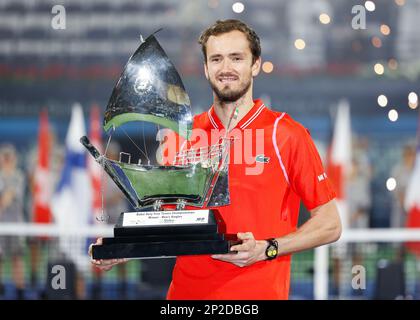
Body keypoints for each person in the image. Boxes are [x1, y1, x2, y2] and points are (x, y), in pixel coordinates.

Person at [89, 19, 341, 300]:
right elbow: (167, 219)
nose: (226, 68)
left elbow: (330, 223)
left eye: (237, 58)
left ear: (255, 64)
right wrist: (124, 246)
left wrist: (268, 248)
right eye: (217, 59)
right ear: (206, 68)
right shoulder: (180, 136)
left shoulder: (286, 134)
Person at [0, 144, 26, 299]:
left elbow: (9, 196)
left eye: (10, 157)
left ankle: (20, 291)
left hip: (16, 226)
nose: (7, 160)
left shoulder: (18, 176)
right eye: (5, 157)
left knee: (17, 259)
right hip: (1, 226)